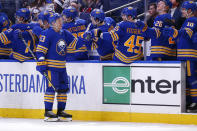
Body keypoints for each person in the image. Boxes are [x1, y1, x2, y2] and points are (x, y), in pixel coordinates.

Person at [36, 13, 75, 121]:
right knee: (51, 88)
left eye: (61, 21)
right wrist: (41, 61)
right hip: (51, 67)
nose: (61, 23)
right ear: (52, 23)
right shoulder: (47, 34)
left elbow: (76, 43)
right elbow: (40, 51)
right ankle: (48, 112)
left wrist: (86, 38)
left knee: (63, 89)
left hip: (62, 67)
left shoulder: (65, 33)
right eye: (59, 21)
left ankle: (60, 111)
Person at [164, 1, 197, 113]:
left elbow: (186, 34)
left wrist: (174, 30)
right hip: (185, 54)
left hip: (189, 55)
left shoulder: (192, 20)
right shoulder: (187, 21)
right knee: (187, 79)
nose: (182, 11)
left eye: (183, 9)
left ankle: (195, 102)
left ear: (189, 11)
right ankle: (189, 100)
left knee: (191, 78)